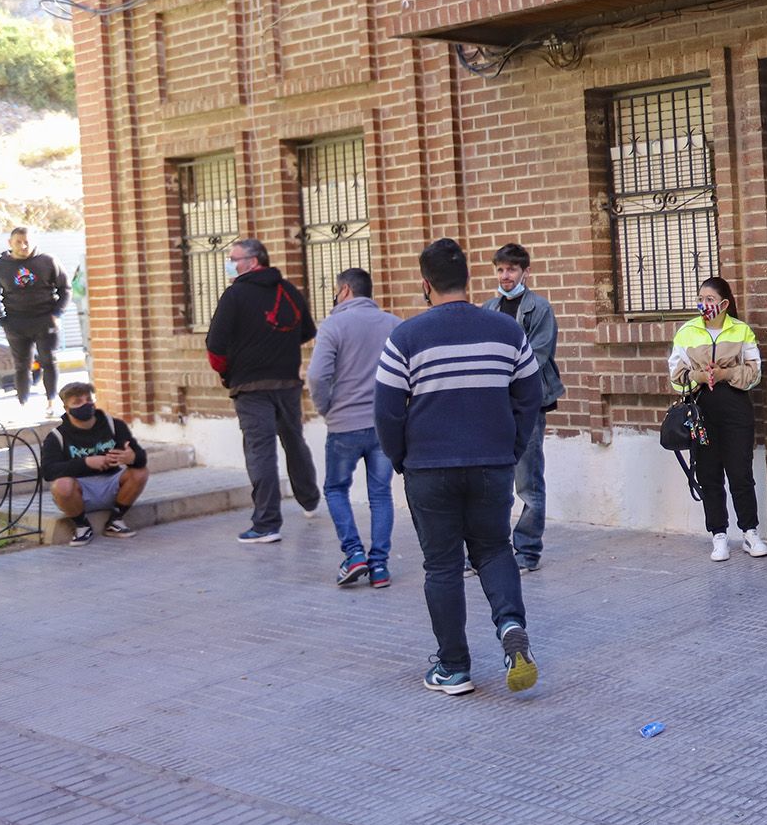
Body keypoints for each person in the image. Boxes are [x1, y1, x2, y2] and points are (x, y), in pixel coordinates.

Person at [375, 238, 541, 697]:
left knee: (442, 566)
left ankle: (453, 668)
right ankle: (510, 627)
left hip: (429, 468)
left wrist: (401, 458)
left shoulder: (405, 337)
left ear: (425, 284)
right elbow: (530, 397)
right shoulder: (506, 332)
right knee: (494, 550)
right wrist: (509, 446)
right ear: (469, 279)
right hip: (491, 464)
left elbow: (387, 411)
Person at [205, 238, 320, 544]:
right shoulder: (289, 291)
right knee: (294, 441)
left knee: (261, 452)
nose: (230, 264)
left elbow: (215, 345)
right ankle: (309, 500)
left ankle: (266, 523)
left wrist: (226, 372)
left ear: (253, 261)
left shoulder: (235, 295)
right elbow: (307, 330)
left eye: (234, 259)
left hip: (250, 387)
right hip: (287, 383)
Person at [308, 267, 401, 589]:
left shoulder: (333, 325)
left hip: (344, 425)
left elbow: (317, 376)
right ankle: (379, 568)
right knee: (380, 494)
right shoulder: (393, 323)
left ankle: (354, 554)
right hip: (382, 426)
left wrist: (326, 407)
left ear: (344, 290)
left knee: (335, 489)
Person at [669, 277, 767, 561]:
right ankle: (718, 535)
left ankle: (750, 532)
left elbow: (754, 372)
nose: (705, 304)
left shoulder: (742, 331)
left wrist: (726, 374)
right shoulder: (686, 332)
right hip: (701, 410)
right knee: (709, 474)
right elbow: (676, 378)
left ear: (724, 303)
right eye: (701, 298)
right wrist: (697, 377)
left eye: (710, 299)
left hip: (736, 407)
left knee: (740, 473)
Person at [481, 243, 565, 572]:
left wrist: (498, 371)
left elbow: (537, 356)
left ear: (525, 272)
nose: (505, 275)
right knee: (492, 480)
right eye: (500, 269)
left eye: (512, 270)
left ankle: (528, 551)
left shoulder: (539, 308)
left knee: (527, 480)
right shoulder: (488, 308)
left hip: (528, 404)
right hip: (494, 405)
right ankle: (491, 549)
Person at [40, 382, 149, 546]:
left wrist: (131, 458)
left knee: (141, 472)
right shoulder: (57, 437)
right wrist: (86, 463)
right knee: (61, 485)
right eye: (77, 402)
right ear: (66, 408)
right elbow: (48, 471)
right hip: (80, 491)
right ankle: (82, 526)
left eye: (88, 399)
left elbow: (140, 458)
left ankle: (115, 521)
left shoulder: (114, 425)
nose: (85, 404)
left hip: (112, 483)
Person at [0, 227, 69, 412]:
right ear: (10, 243)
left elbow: (65, 288)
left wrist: (57, 314)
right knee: (22, 366)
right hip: (16, 323)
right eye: (18, 242)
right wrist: (0, 319)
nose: (23, 246)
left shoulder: (48, 261)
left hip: (45, 321)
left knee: (49, 361)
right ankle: (23, 403)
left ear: (34, 241)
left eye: (27, 242)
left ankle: (51, 402)